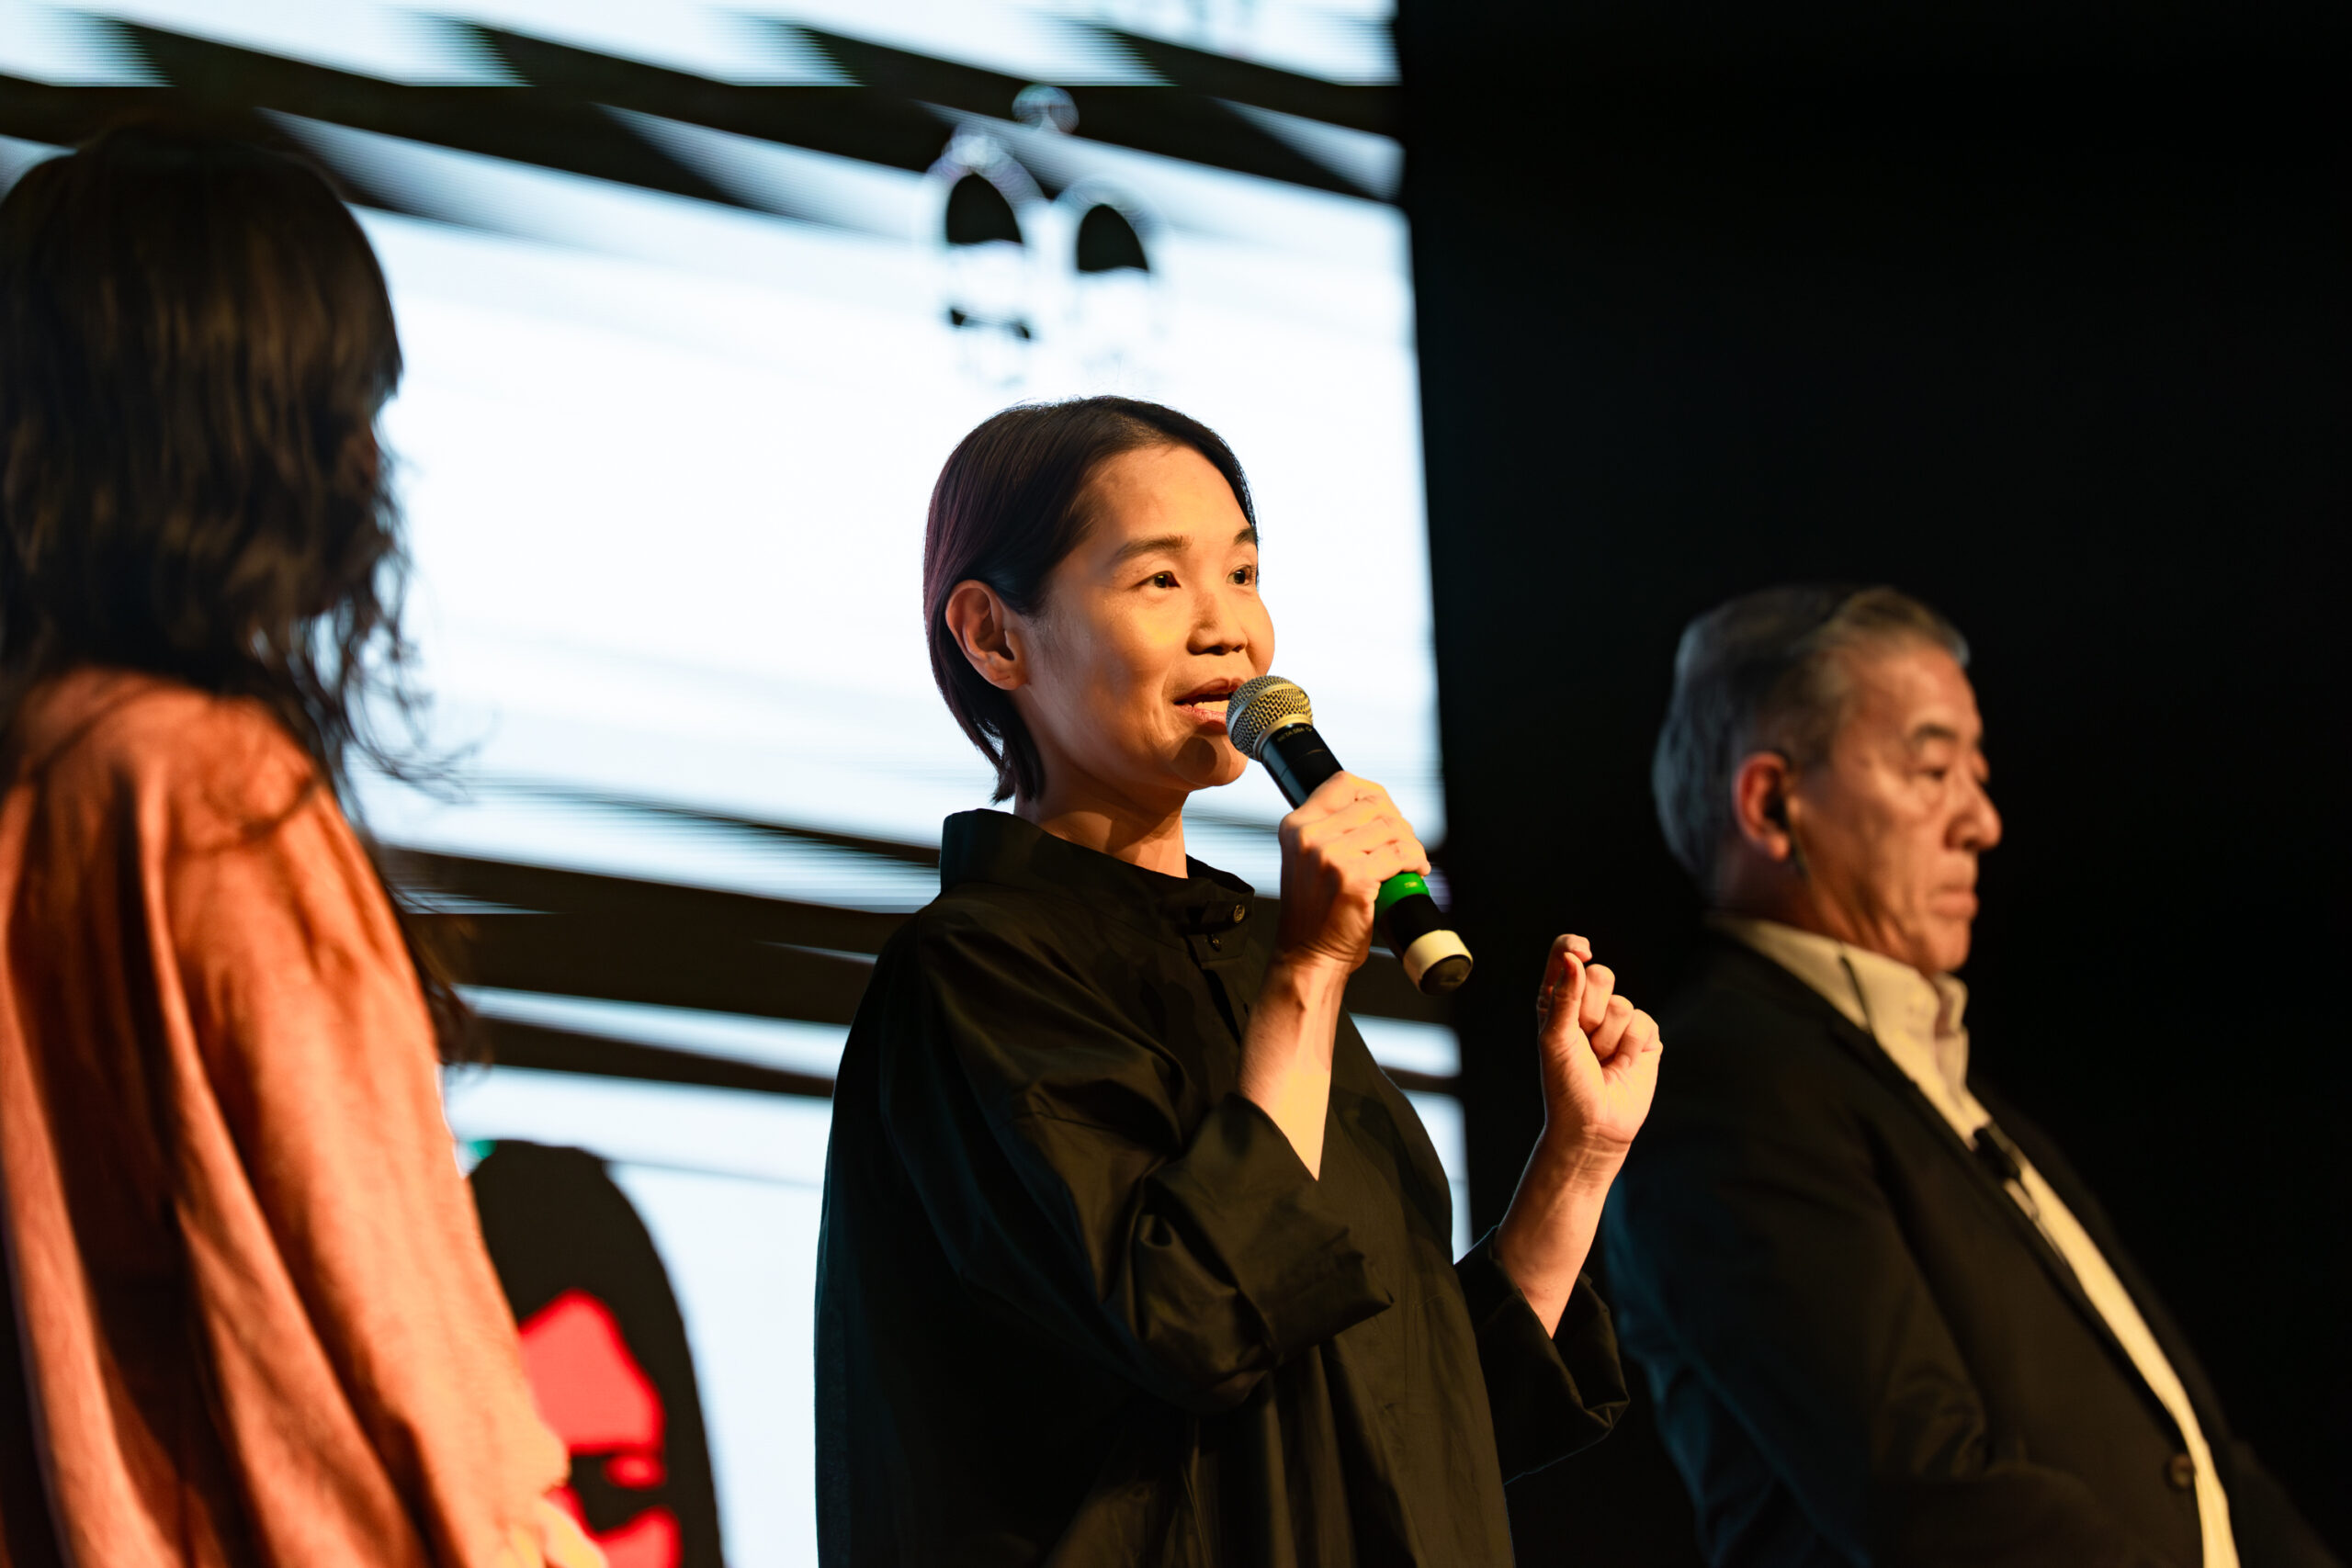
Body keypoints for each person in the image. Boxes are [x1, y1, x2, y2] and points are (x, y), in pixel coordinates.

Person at [816, 396, 1665, 1565]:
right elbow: (1195, 1321)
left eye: (1244, 573)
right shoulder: (973, 968)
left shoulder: (1249, 957)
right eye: (1160, 580)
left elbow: (1408, 1416)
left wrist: (1577, 1160)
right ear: (993, 635)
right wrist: (1311, 969)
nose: (1229, 631)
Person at [0, 128, 598, 1565]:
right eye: (346, 402)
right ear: (240, 422)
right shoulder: (206, 794)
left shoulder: (46, 770)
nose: (370, 460)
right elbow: (394, 1341)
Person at [1601, 585, 2337, 1568]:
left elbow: (2207, 1461)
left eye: (1976, 776)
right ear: (1772, 804)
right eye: (1933, 769)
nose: (1982, 822)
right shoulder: (1729, 1090)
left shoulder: (1945, 1094)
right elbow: (1931, 1495)